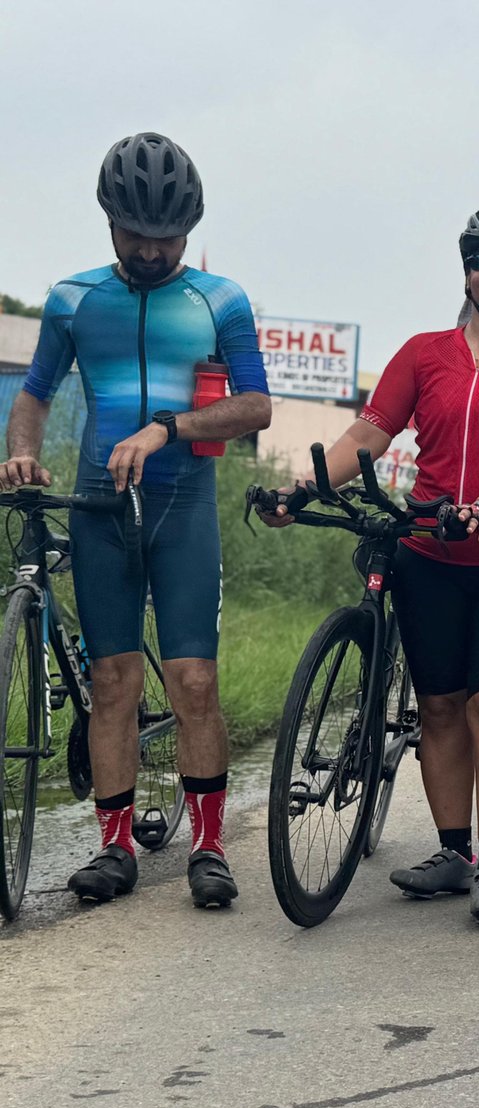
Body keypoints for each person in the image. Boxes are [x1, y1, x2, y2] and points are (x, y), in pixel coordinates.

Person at [264, 205, 479, 927]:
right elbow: (366, 437)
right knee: (439, 706)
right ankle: (455, 852)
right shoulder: (422, 353)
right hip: (428, 551)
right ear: (467, 272)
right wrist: (302, 487)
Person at [2, 132, 272, 909]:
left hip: (182, 504)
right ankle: (113, 848)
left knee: (194, 680)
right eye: (136, 237)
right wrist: (22, 452)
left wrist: (169, 426)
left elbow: (253, 405)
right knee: (113, 682)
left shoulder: (220, 300)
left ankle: (211, 846)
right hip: (98, 505)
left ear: (188, 230)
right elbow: (35, 393)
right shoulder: (73, 299)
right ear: (109, 221)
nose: (153, 252)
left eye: (168, 239)